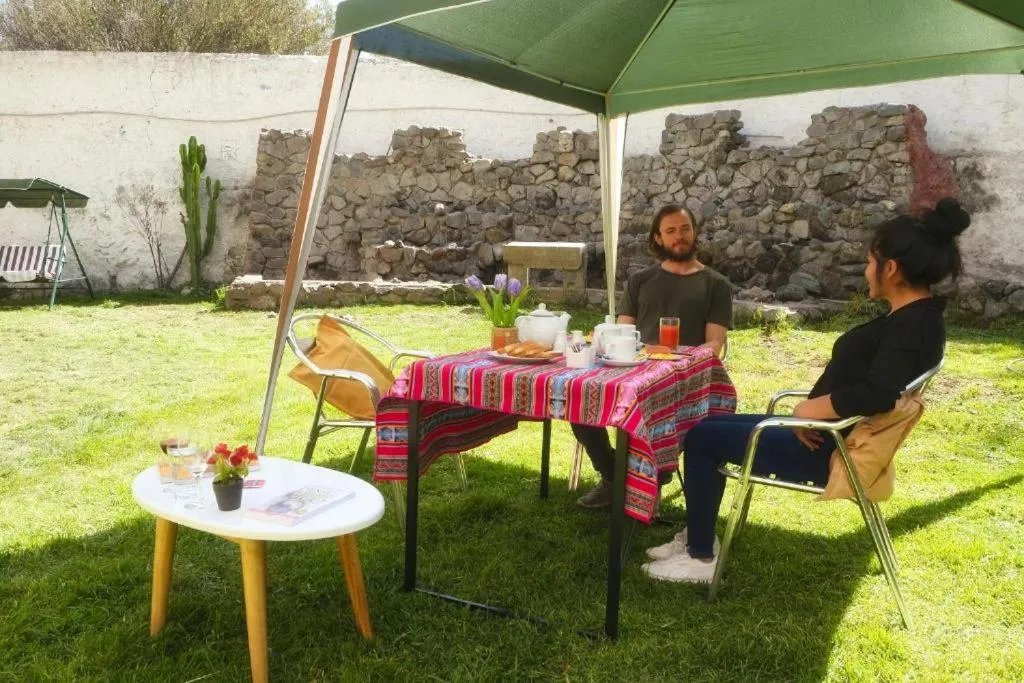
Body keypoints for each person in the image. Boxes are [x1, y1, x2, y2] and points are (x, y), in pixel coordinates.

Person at [642, 197, 970, 583]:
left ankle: (700, 558)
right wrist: (809, 411)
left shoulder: (913, 326)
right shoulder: (917, 318)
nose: (866, 272)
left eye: (869, 262)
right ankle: (698, 533)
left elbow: (877, 393)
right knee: (710, 422)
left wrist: (807, 412)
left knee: (700, 437)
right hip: (826, 434)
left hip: (827, 449)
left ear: (892, 268)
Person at [573, 204, 733, 509]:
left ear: (695, 232)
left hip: (682, 377)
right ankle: (614, 478)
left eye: (685, 229)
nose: (679, 237)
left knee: (651, 409)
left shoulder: (716, 285)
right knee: (579, 399)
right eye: (670, 231)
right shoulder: (640, 280)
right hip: (633, 369)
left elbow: (714, 344)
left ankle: (643, 482)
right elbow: (621, 333)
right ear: (658, 239)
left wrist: (681, 363)